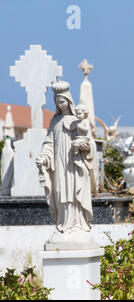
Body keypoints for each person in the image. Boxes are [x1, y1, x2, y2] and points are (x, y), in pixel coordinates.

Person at [36, 81, 96, 245]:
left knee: (74, 192)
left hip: (74, 165)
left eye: (62, 101)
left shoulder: (77, 121)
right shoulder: (54, 121)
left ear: (68, 101)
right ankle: (63, 224)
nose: (59, 104)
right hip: (59, 165)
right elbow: (49, 143)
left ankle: (77, 224)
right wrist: (44, 156)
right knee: (60, 191)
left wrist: (83, 146)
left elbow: (89, 142)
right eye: (57, 102)